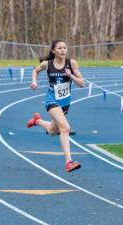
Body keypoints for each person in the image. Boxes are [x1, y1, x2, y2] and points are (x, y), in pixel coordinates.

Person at [27, 39, 84, 172]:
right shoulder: (47, 64)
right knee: (65, 128)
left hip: (65, 103)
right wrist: (34, 82)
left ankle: (37, 120)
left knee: (53, 130)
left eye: (65, 48)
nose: (63, 50)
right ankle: (69, 162)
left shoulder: (72, 63)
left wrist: (71, 77)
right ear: (53, 50)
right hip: (51, 101)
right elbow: (35, 70)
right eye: (59, 48)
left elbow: (82, 84)